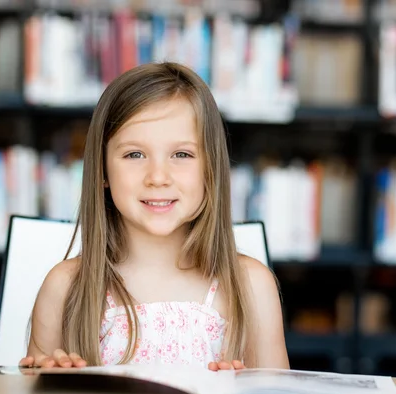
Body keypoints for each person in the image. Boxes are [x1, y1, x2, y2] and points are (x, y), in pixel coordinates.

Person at [19, 62, 289, 372]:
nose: (158, 177)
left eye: (181, 155)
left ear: (210, 169)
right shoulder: (65, 287)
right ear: (102, 170)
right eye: (135, 154)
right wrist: (48, 383)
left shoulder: (251, 286)